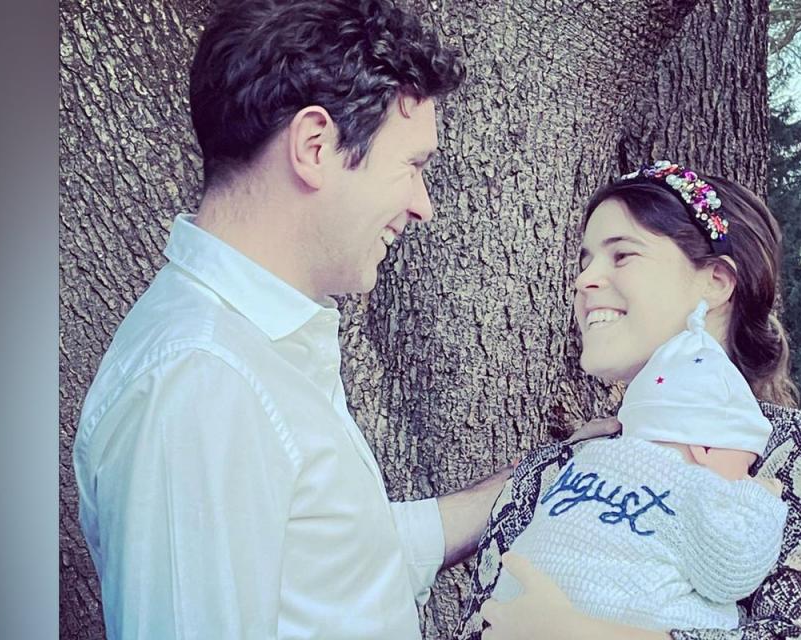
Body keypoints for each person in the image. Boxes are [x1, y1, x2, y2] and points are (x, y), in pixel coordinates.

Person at [72, 1, 510, 638]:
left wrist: (539, 480)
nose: (424, 207)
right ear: (315, 147)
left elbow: (339, 558)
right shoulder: (200, 385)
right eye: (412, 166)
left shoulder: (254, 350)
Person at [456, 162, 801, 639]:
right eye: (585, 261)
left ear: (717, 282)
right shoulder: (557, 468)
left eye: (622, 256)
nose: (583, 281)